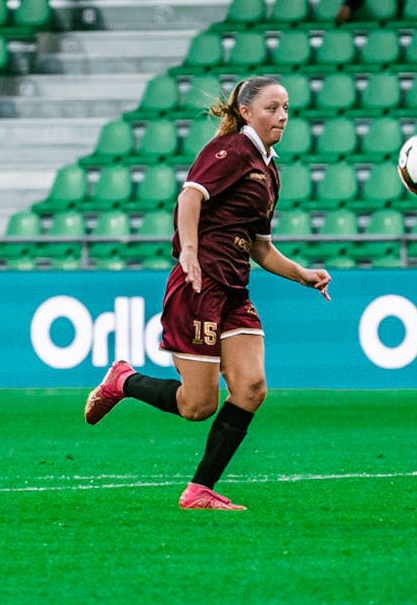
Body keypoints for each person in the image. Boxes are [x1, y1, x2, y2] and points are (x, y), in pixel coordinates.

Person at [81, 76, 331, 510]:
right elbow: (190, 196)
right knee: (197, 406)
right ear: (246, 112)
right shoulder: (232, 150)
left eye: (286, 107)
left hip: (234, 289)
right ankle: (123, 380)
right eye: (272, 108)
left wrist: (302, 274)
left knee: (251, 388)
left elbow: (260, 246)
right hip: (199, 285)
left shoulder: (270, 169)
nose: (283, 116)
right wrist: (191, 251)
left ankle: (199, 490)